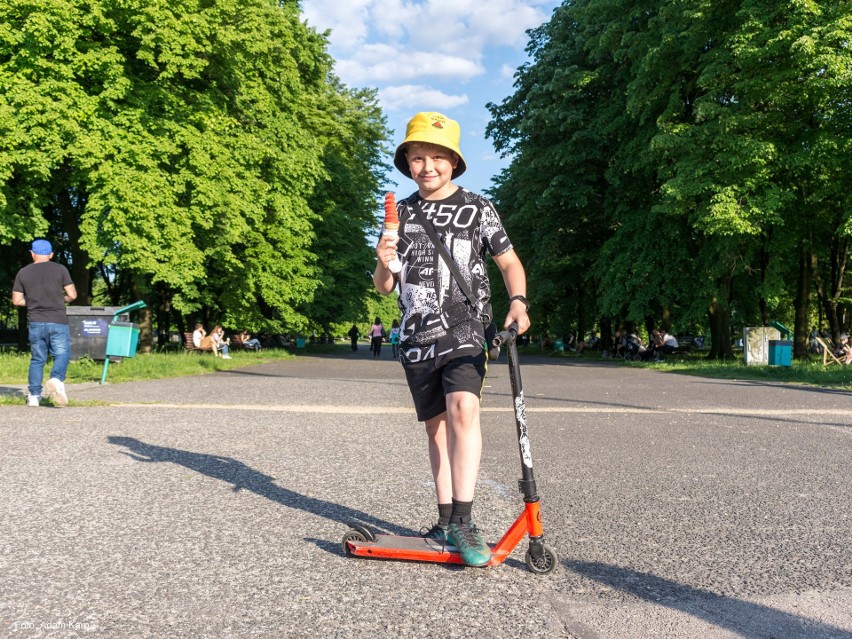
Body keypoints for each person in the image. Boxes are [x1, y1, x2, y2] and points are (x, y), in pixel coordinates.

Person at [374, 112, 530, 567]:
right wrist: (384, 260)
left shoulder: (478, 207)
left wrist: (518, 301)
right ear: (407, 162)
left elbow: (509, 263)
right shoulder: (399, 214)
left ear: (454, 163)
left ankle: (464, 518)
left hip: (466, 329)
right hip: (416, 336)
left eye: (437, 158)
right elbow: (384, 286)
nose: (427, 167)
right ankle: (445, 520)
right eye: (418, 157)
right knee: (437, 427)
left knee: (465, 407)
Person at [12, 239, 77, 407]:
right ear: (51, 254)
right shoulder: (60, 269)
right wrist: (60, 299)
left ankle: (34, 396)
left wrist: (34, 301)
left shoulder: (23, 272)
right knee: (61, 354)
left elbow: (17, 301)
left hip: (36, 321)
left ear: (32, 254)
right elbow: (72, 295)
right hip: (57, 320)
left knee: (37, 359)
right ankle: (56, 379)